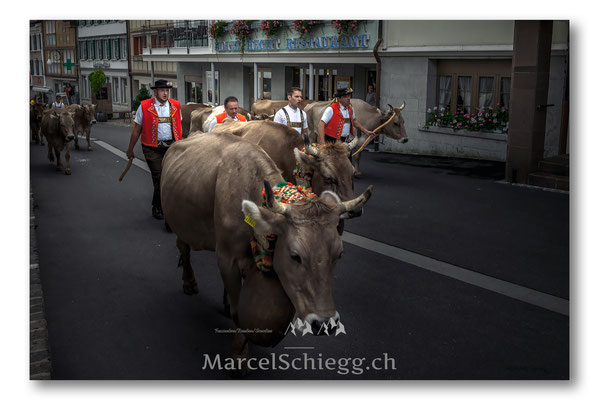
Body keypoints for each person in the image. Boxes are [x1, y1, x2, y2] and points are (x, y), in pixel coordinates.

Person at [126, 80, 183, 220]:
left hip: (171, 147)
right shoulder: (144, 106)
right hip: (152, 148)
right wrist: (130, 149)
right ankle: (158, 206)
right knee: (159, 177)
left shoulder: (175, 105)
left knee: (172, 177)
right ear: (155, 91)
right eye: (162, 90)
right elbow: (137, 130)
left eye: (167, 90)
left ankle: (166, 204)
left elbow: (179, 126)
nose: (165, 93)